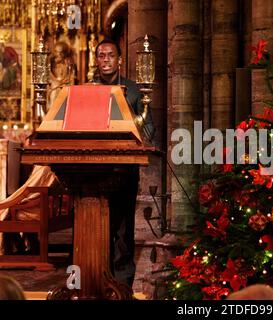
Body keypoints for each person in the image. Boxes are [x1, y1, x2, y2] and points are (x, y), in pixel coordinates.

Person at [93, 38, 155, 289]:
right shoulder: (88, 91)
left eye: (110, 55)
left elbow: (149, 127)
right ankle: (95, 278)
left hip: (124, 167)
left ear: (119, 59)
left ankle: (122, 284)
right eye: (101, 55)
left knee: (122, 228)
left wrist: (141, 136)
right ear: (96, 60)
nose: (105, 60)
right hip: (93, 168)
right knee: (97, 229)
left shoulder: (133, 89)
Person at [48, 41, 77, 108]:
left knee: (66, 93)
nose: (59, 54)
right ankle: (52, 111)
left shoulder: (69, 62)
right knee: (54, 93)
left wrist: (64, 81)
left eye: (61, 53)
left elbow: (71, 76)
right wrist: (56, 81)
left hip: (65, 83)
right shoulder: (51, 62)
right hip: (54, 84)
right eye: (57, 52)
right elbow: (49, 75)